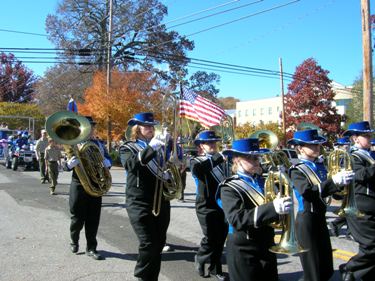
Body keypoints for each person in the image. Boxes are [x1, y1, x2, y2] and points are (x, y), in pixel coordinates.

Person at [217, 138, 292, 281]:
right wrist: (273, 207)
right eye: (250, 157)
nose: (256, 160)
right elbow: (236, 219)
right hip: (243, 247)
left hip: (267, 243)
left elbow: (276, 210)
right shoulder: (229, 187)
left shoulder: (265, 181)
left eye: (257, 156)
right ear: (237, 160)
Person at [288, 129, 354, 281]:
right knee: (313, 270)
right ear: (300, 148)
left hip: (320, 219)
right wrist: (334, 182)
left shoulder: (320, 165)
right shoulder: (296, 170)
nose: (317, 147)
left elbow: (330, 193)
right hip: (306, 220)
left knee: (326, 267)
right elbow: (308, 192)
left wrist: (344, 186)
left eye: (318, 144)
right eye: (312, 145)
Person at [119, 112, 171, 281]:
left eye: (151, 126)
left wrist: (172, 172)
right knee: (148, 244)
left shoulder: (160, 148)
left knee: (159, 244)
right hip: (139, 201)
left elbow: (167, 167)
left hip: (160, 200)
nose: (150, 128)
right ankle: (141, 276)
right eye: (146, 126)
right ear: (137, 128)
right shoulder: (127, 147)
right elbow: (132, 165)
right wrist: (152, 147)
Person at [64, 116, 112, 261]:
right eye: (88, 126)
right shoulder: (73, 143)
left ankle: (91, 248)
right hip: (79, 184)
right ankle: (74, 239)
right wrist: (69, 165)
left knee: (93, 219)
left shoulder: (98, 143)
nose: (90, 129)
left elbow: (108, 160)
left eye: (92, 127)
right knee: (77, 218)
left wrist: (107, 162)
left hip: (96, 183)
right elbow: (66, 164)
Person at [339, 121, 375, 281]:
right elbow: (361, 175)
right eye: (366, 135)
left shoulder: (370, 155)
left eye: (370, 134)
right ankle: (350, 268)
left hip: (371, 207)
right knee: (371, 247)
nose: (370, 137)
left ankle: (359, 274)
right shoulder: (350, 157)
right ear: (355, 139)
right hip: (360, 208)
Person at [190, 130, 228, 281]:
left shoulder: (224, 160)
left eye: (214, 142)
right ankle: (200, 257)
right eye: (208, 143)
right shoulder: (196, 160)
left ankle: (215, 268)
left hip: (222, 203)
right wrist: (218, 158)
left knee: (221, 238)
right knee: (210, 236)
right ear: (201, 146)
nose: (212, 145)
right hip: (205, 204)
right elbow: (198, 171)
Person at [328, 137, 353, 240]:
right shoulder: (337, 157)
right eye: (344, 145)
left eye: (347, 145)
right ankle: (346, 230)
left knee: (350, 208)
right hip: (341, 184)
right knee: (350, 208)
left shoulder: (349, 155)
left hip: (349, 183)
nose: (346, 147)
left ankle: (340, 227)